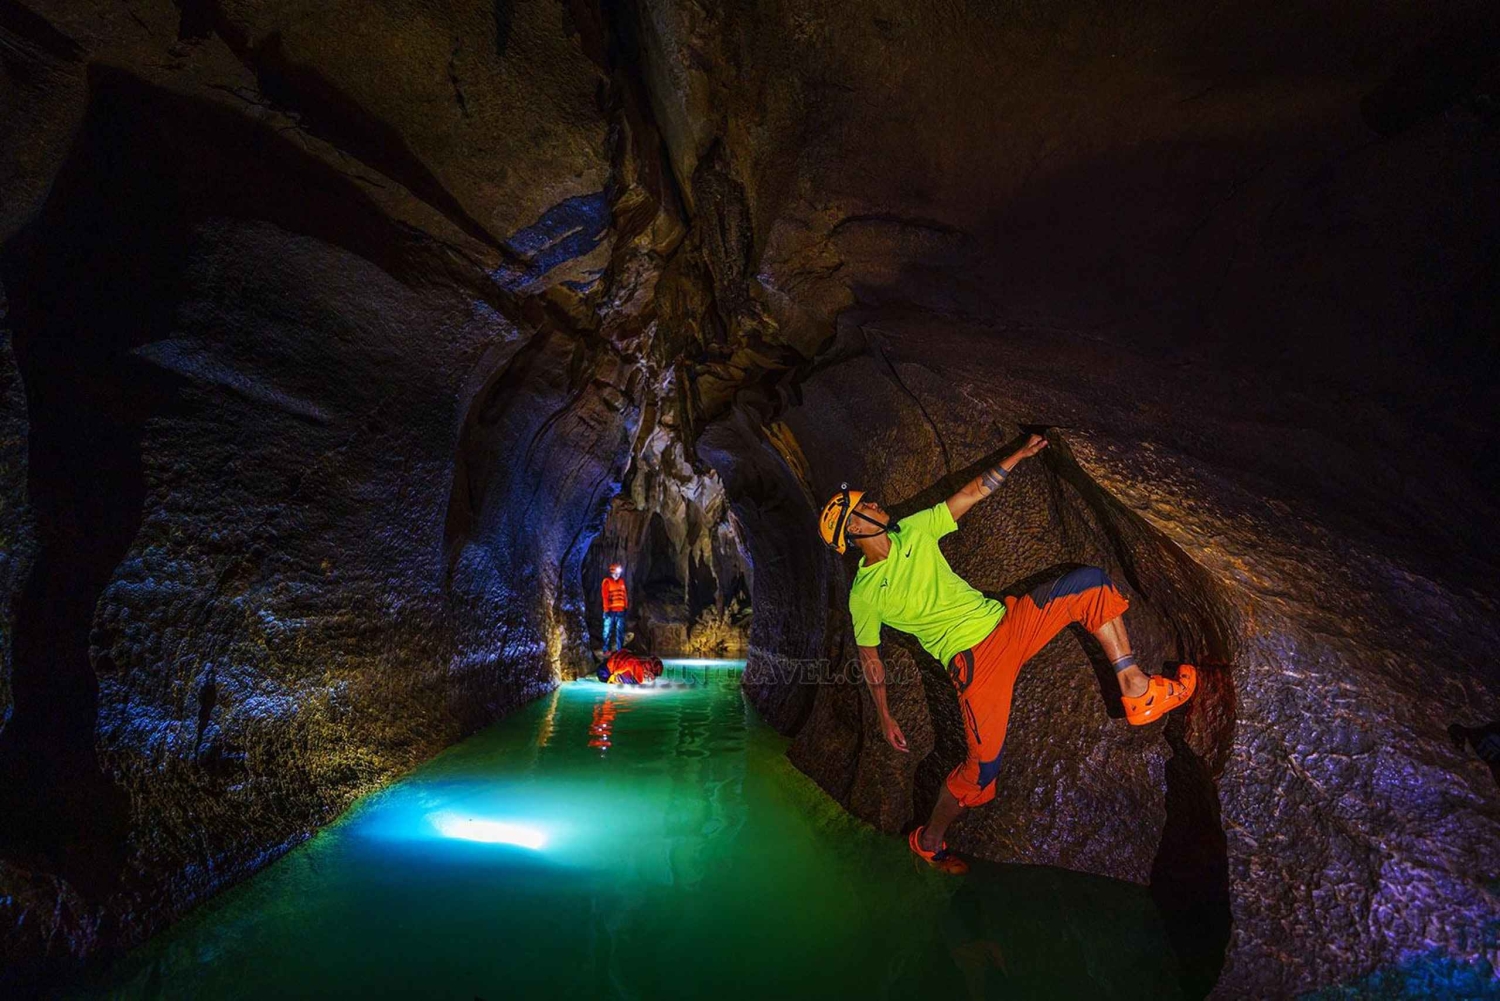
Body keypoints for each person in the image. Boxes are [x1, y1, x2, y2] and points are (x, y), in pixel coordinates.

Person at [819, 434, 1197, 875]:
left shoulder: (914, 531)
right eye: (870, 506)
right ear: (856, 528)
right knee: (981, 771)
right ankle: (929, 840)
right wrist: (884, 716)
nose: (881, 506)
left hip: (1008, 621)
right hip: (976, 665)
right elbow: (870, 657)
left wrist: (1015, 456)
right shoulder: (864, 595)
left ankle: (1136, 688)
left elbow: (969, 494)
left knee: (1089, 583)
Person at [601, 562, 628, 653]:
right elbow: (605, 597)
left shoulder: (621, 582)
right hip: (610, 611)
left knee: (620, 631)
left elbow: (624, 595)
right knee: (607, 630)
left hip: (620, 610)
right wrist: (606, 610)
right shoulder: (607, 581)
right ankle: (606, 649)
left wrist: (626, 606)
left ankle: (620, 650)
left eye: (619, 573)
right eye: (616, 572)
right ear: (611, 572)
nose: (617, 575)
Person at [596, 649, 663, 686]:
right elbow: (613, 679)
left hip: (608, 666)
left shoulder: (637, 663)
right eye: (653, 675)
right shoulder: (633, 675)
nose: (653, 678)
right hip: (604, 672)